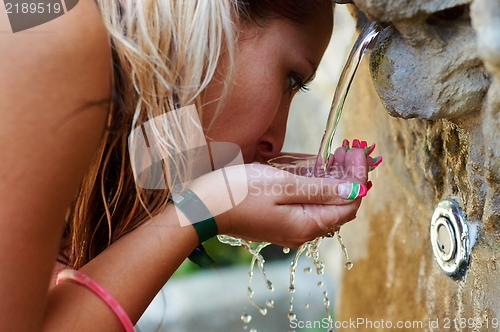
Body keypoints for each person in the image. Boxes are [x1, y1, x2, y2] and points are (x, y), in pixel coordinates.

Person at [0, 0, 380, 330]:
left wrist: (227, 191)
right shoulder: (52, 40)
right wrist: (204, 209)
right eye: (291, 79)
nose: (274, 142)